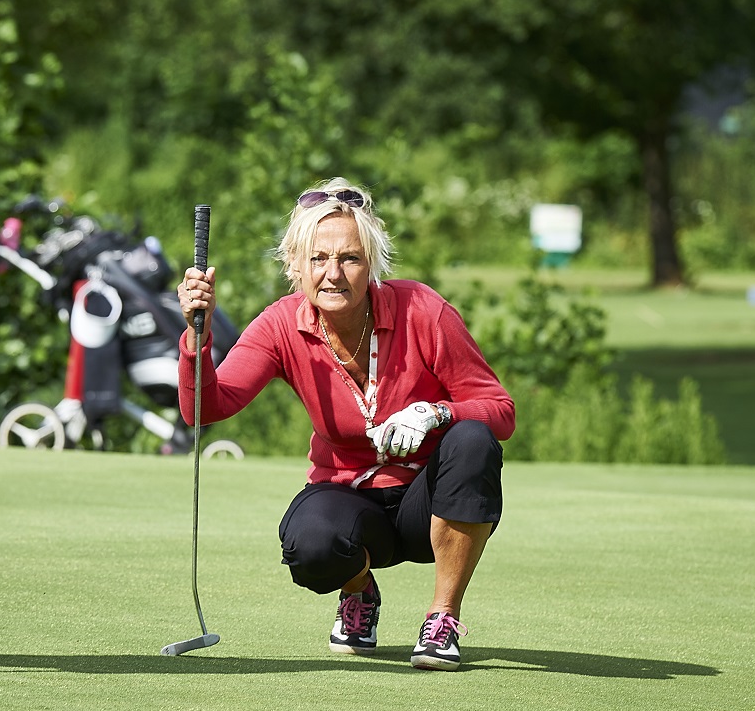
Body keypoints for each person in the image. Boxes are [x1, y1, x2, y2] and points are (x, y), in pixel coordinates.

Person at [176, 180, 515, 669]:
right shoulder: (279, 324)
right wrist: (194, 337)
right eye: (318, 259)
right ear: (296, 265)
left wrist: (438, 412)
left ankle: (443, 617)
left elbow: (499, 409)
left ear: (372, 264)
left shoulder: (423, 309)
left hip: (430, 502)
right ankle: (359, 591)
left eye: (350, 259)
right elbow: (205, 408)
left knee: (473, 439)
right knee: (309, 544)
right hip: (349, 498)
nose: (333, 274)